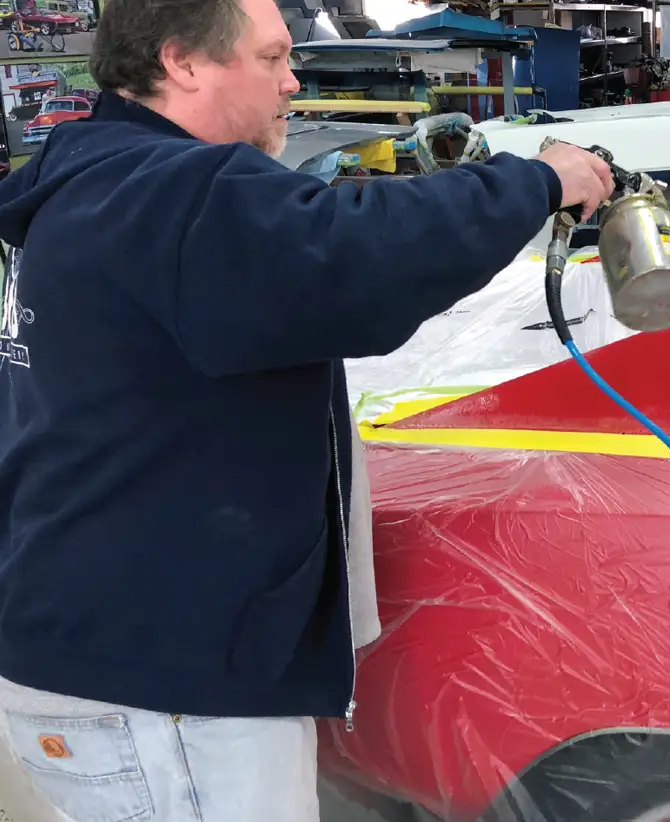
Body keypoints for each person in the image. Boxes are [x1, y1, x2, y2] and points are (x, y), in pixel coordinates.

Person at [0, 0, 615, 816]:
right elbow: (354, 254)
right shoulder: (171, 193)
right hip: (162, 685)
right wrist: (538, 181)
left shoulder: (100, 184)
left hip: (110, 645)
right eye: (272, 57)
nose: (294, 81)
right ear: (182, 62)